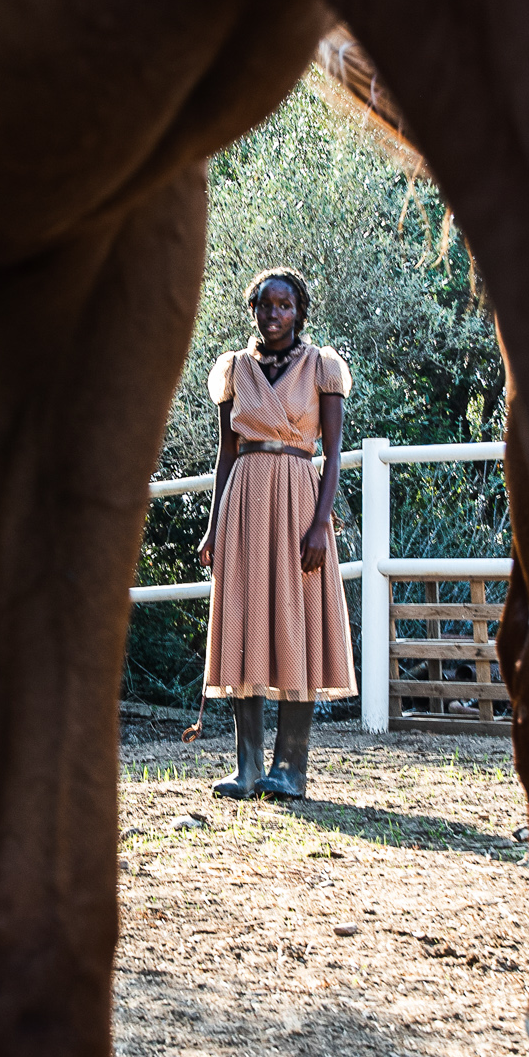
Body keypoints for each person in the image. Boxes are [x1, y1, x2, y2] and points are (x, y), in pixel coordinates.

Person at [196, 267, 357, 799]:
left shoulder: (322, 367)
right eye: (265, 306)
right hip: (243, 501)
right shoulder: (234, 370)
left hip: (298, 502)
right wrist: (213, 526)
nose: (274, 315)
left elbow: (332, 454)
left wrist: (321, 523)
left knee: (296, 624)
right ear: (254, 311)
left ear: (300, 311)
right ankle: (245, 769)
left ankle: (290, 769)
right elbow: (225, 456)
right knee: (244, 624)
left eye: (284, 306)